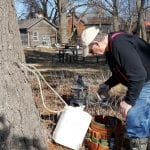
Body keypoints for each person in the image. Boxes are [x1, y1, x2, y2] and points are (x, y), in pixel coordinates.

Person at [81, 26, 150, 150]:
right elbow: (120, 72)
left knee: (134, 117)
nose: (92, 54)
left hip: (145, 79)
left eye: (91, 50)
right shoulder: (110, 49)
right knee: (143, 118)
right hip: (143, 78)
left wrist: (129, 101)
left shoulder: (120, 45)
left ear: (96, 42)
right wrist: (107, 84)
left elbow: (139, 75)